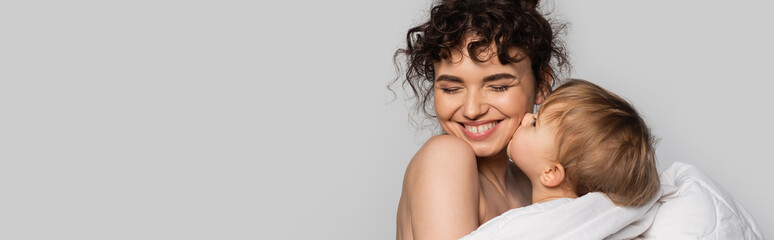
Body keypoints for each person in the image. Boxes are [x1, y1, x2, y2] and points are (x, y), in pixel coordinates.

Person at [393, 0, 568, 239]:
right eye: (451, 89)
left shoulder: (532, 183)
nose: (472, 110)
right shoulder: (446, 156)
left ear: (542, 84)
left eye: (497, 87)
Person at [460, 79, 661, 239]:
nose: (527, 117)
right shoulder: (606, 223)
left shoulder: (526, 227)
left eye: (535, 123)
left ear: (551, 173)